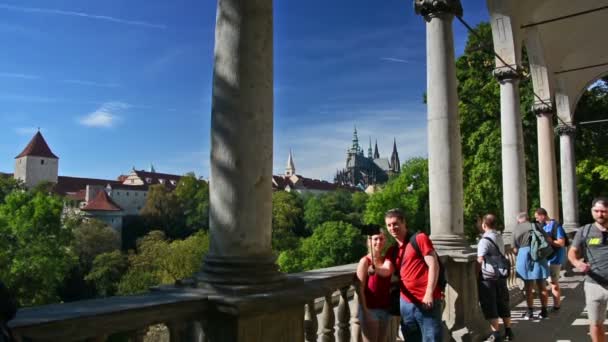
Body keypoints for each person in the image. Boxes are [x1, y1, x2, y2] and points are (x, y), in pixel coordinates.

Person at [385, 208, 442, 342]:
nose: (392, 228)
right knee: (411, 337)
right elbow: (386, 270)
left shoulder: (419, 239)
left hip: (427, 300)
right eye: (389, 225)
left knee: (431, 337)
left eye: (395, 223)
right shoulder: (393, 250)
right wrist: (371, 266)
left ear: (404, 222)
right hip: (406, 302)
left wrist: (429, 292)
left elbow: (434, 265)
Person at [568, 197, 608, 342]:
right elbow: (571, 253)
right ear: (592, 211)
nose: (600, 214)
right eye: (596, 211)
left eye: (603, 211)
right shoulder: (585, 231)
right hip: (593, 284)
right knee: (596, 323)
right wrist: (577, 263)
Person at [477, 214, 513, 341]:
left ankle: (496, 334)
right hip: (501, 275)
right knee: (503, 302)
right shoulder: (499, 236)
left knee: (490, 304)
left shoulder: (484, 240)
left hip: (489, 277)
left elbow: (480, 259)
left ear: (484, 225)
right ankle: (508, 331)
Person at [356, 228, 393, 342]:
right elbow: (360, 289)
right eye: (375, 239)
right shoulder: (365, 261)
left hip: (385, 309)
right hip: (370, 310)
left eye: (381, 239)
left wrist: (376, 269)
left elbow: (388, 272)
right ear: (369, 241)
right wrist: (366, 312)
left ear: (385, 240)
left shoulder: (385, 260)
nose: (379, 242)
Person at [512, 211, 550, 320]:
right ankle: (544, 311)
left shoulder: (516, 229)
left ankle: (530, 312)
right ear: (528, 218)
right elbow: (546, 240)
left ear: (519, 220)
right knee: (541, 285)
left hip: (524, 256)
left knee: (528, 287)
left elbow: (514, 249)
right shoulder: (536, 226)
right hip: (538, 254)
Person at [535, 207, 567, 312]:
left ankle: (556, 306)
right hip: (546, 258)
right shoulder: (542, 226)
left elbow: (561, 243)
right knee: (547, 283)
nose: (536, 220)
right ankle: (552, 305)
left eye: (537, 217)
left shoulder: (556, 226)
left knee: (553, 283)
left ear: (542, 215)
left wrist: (550, 241)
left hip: (555, 258)